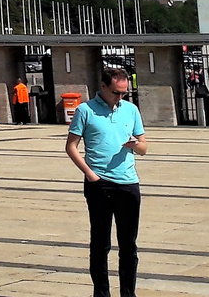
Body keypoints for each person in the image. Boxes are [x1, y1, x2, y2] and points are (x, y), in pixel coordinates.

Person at [67, 67, 148, 297]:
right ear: (103, 87)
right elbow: (71, 147)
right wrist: (90, 174)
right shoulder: (85, 110)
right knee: (100, 243)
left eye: (124, 93)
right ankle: (101, 293)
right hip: (99, 184)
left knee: (129, 245)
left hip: (128, 182)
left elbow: (144, 147)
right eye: (115, 92)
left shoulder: (131, 110)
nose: (120, 97)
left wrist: (136, 145)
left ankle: (128, 293)